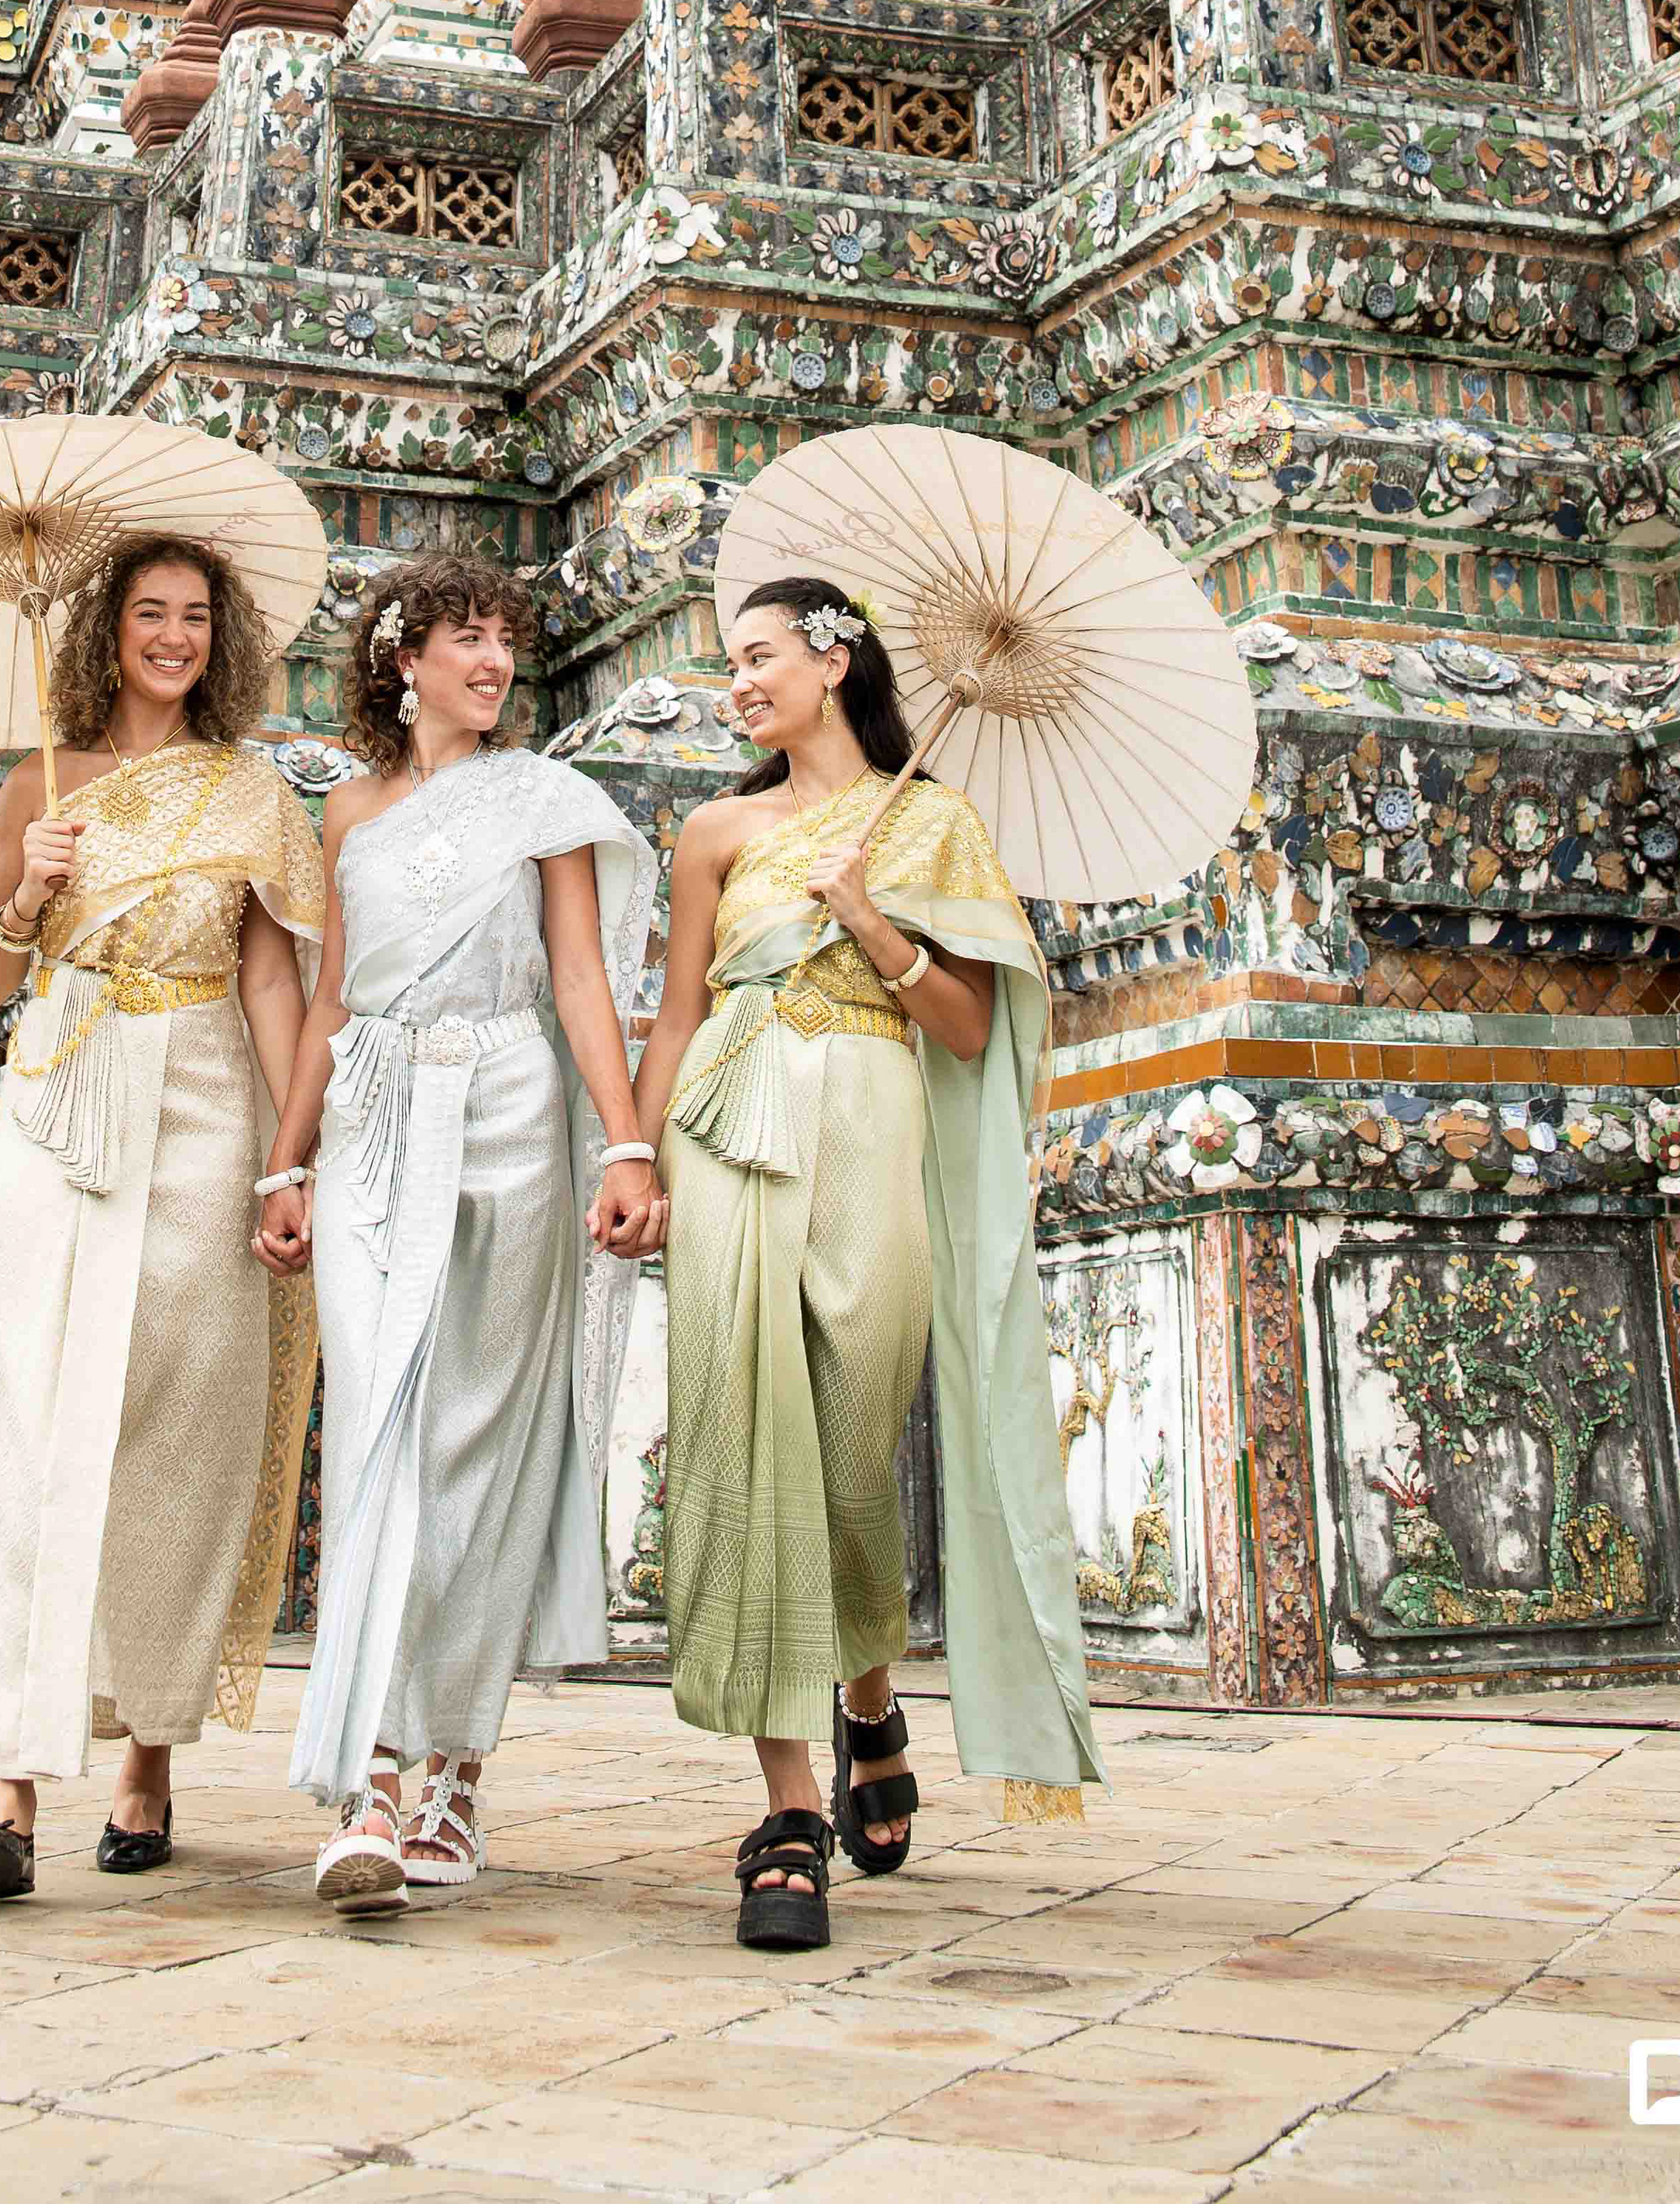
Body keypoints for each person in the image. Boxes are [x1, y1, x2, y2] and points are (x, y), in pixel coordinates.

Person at [632, 574, 1099, 1951]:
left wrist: (880, 923)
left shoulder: (934, 820)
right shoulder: (713, 830)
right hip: (730, 1113)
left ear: (835, 661)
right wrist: (636, 1158)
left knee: (845, 1451)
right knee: (739, 1434)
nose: (740, 682)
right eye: (733, 664)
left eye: (761, 656)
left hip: (872, 1110)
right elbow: (674, 1014)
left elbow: (967, 1030)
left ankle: (869, 1699)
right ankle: (786, 1815)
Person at [255, 557, 661, 1909]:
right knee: (382, 1429)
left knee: (485, 1438)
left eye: (505, 642)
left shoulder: (544, 800)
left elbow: (582, 975)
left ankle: (457, 1774)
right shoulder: (349, 813)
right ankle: (367, 1779)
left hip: (508, 1106)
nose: (492, 662)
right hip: (372, 1112)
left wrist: (624, 1138)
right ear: (401, 659)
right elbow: (325, 1001)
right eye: (464, 639)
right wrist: (283, 1162)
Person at [0, 533, 323, 1898]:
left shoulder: (249, 793)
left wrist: (291, 1161)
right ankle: (10, 1781)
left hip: (208, 1102)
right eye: (149, 613)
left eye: (194, 619)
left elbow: (275, 987)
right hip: (62, 1101)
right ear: (104, 629)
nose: (172, 637)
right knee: (46, 1426)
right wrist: (31, 888)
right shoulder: (33, 789)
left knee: (181, 1423)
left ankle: (148, 1753)